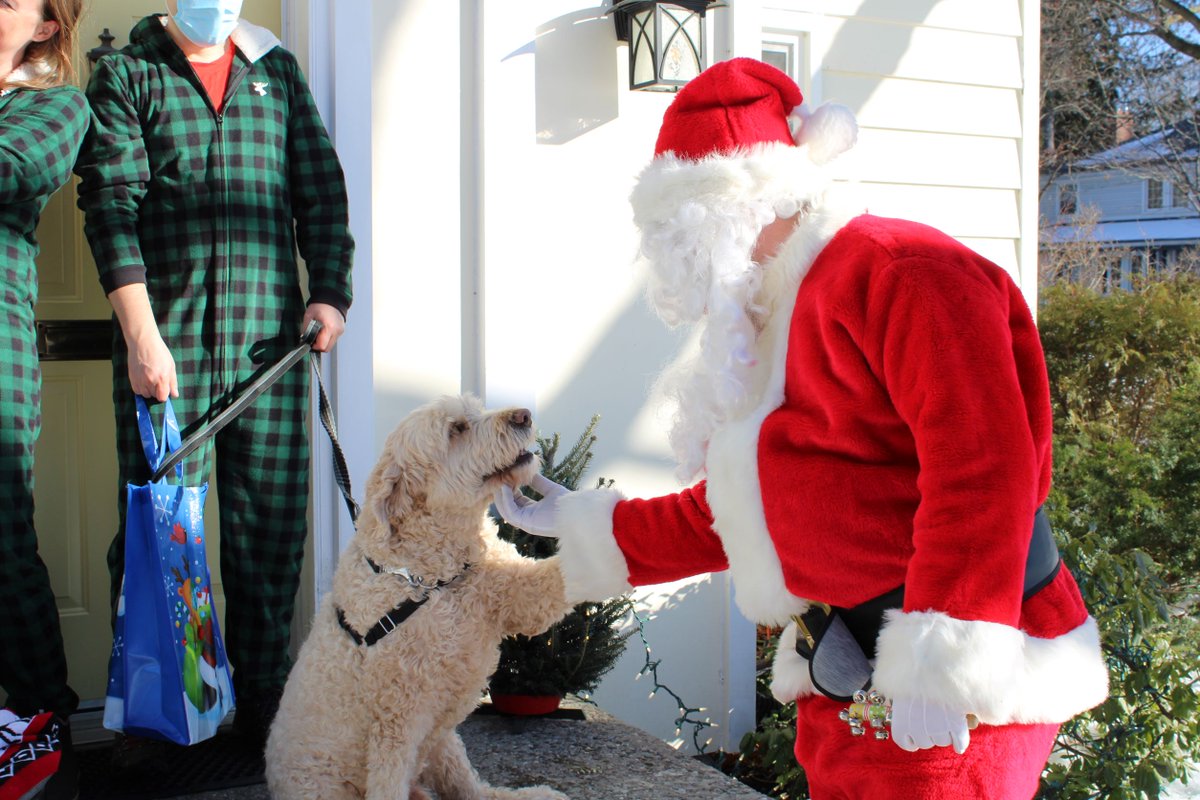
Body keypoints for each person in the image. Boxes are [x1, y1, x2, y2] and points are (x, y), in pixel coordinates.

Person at [495, 58, 1108, 798]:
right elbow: (755, 510)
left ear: (727, 207)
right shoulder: (772, 321)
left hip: (954, 699)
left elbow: (984, 469)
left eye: (677, 235)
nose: (672, 262)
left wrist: (945, 669)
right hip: (847, 680)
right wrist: (586, 521)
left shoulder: (901, 271)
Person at [74, 0, 353, 755]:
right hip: (167, 353)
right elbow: (109, 205)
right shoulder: (129, 75)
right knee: (164, 536)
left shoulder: (277, 73)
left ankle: (265, 717)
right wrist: (140, 337)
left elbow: (320, 192)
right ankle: (171, 723)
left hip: (269, 346)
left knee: (268, 535)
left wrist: (328, 291)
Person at [0, 0, 88, 796]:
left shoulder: (53, 106)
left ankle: (41, 726)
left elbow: (13, 171)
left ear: (47, 26)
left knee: (0, 543)